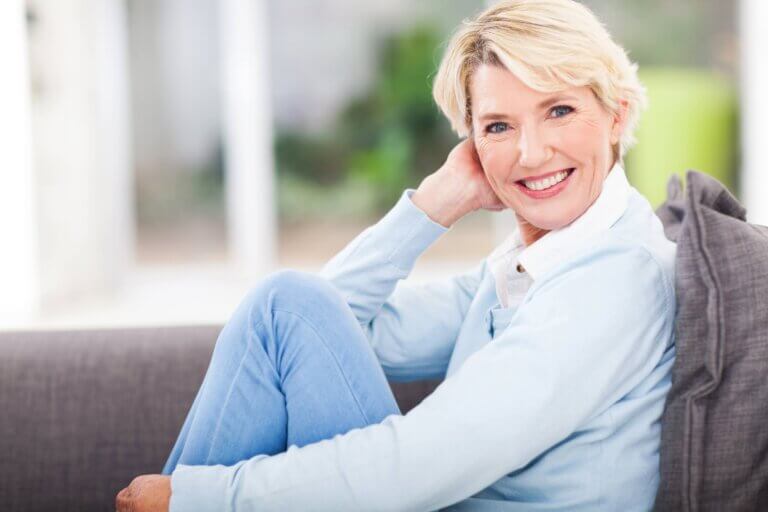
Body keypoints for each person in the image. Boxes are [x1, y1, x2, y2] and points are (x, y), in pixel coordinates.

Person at [116, 0, 676, 510]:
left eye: (559, 111)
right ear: (474, 144)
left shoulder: (616, 277)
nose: (531, 153)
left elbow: (423, 462)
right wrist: (431, 206)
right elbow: (326, 323)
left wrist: (199, 498)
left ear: (617, 115)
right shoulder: (534, 264)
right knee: (284, 303)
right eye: (499, 126)